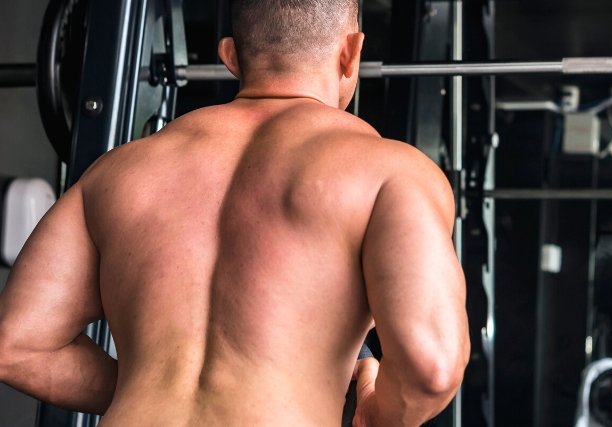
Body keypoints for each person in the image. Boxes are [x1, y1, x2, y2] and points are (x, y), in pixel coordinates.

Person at [0, 1, 470, 426]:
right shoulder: (393, 172)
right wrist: (372, 412)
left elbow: (15, 347)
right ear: (352, 53)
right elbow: (431, 369)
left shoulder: (114, 174)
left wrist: (145, 392)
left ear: (230, 56)